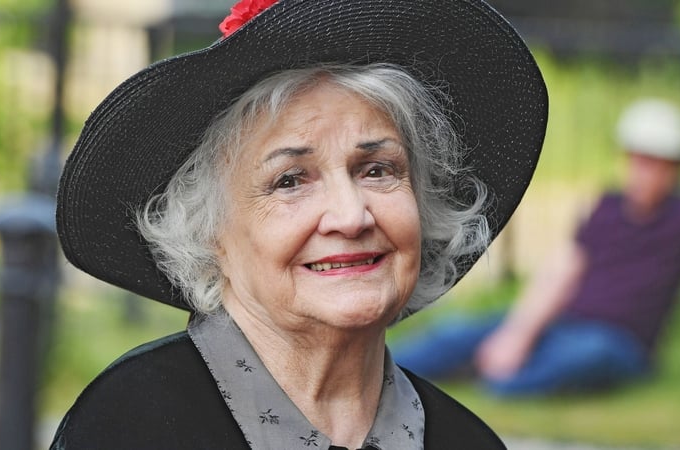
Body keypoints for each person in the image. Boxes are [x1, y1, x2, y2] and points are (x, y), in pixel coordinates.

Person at [51, 0, 548, 448]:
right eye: (290, 181)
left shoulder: (464, 443)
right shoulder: (130, 425)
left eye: (378, 170)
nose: (351, 216)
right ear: (210, 233)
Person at [393, 98, 680, 397]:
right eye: (640, 159)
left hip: (622, 343)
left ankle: (494, 384)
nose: (646, 171)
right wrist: (519, 332)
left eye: (659, 162)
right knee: (455, 331)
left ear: (676, 168)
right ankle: (382, 372)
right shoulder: (608, 207)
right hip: (566, 322)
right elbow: (562, 272)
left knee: (583, 356)